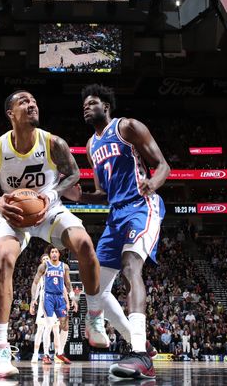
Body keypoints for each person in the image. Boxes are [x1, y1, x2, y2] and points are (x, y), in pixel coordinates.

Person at [0, 90, 108, 378]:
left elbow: (73, 174)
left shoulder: (53, 143)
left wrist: (51, 194)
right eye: (23, 101)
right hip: (14, 213)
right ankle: (0, 349)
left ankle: (95, 318)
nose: (32, 104)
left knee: (85, 244)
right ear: (10, 113)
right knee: (3, 260)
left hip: (49, 209)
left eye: (35, 101)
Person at [70, 84, 170, 380]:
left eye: (92, 103)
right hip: (115, 215)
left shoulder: (127, 127)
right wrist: (81, 198)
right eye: (84, 105)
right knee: (95, 290)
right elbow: (103, 192)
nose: (86, 108)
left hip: (142, 206)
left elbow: (163, 165)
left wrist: (153, 183)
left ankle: (139, 354)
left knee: (130, 268)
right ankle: (141, 346)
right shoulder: (91, 146)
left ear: (106, 106)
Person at [30, 247, 77, 364]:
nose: (54, 254)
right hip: (48, 298)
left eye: (56, 252)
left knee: (65, 326)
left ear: (59, 254)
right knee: (49, 325)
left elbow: (68, 284)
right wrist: (32, 300)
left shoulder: (64, 266)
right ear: (50, 255)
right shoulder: (44, 266)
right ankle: (45, 354)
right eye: (52, 252)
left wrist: (73, 300)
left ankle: (59, 352)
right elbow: (35, 283)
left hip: (60, 297)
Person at [30, 253, 53, 363]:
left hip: (53, 302)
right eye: (43, 259)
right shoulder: (40, 274)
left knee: (49, 329)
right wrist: (33, 301)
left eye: (46, 258)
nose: (45, 260)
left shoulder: (55, 271)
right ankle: (35, 354)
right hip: (43, 301)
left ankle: (46, 354)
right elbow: (37, 288)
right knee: (40, 329)